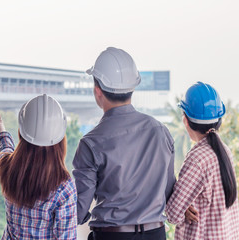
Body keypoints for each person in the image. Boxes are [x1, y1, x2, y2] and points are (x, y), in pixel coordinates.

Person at [72, 47, 176, 240]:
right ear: (133, 87)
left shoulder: (91, 143)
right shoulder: (160, 131)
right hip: (156, 234)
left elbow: (78, 211)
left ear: (97, 91)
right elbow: (169, 190)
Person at [0, 94, 77, 240]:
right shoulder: (63, 187)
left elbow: (5, 148)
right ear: (60, 139)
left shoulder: (8, 168)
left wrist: (0, 129)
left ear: (22, 133)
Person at [166, 82, 239, 239]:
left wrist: (181, 207)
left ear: (185, 119)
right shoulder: (224, 151)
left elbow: (172, 214)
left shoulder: (198, 158)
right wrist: (185, 207)